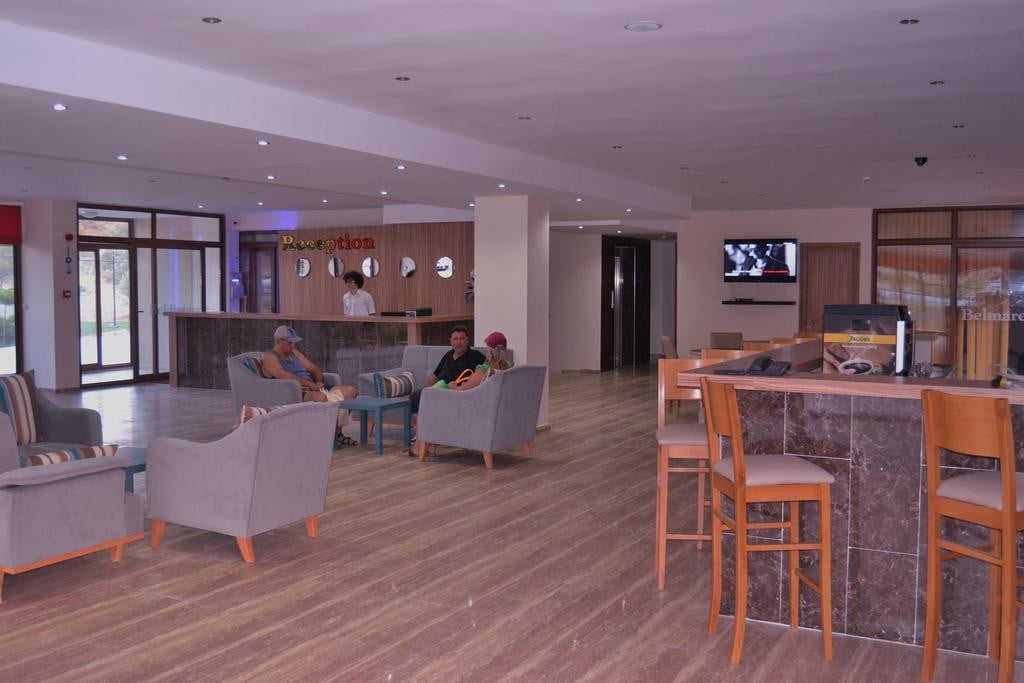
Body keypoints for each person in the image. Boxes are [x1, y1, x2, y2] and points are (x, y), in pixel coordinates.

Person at [260, 325, 357, 403]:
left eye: (294, 342)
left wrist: (319, 383)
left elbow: (314, 369)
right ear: (278, 341)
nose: (293, 345)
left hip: (314, 388)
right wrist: (310, 385)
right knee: (320, 398)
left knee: (351, 391)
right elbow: (281, 374)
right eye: (290, 343)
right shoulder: (269, 356)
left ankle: (335, 414)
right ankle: (331, 409)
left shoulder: (295, 353)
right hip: (296, 391)